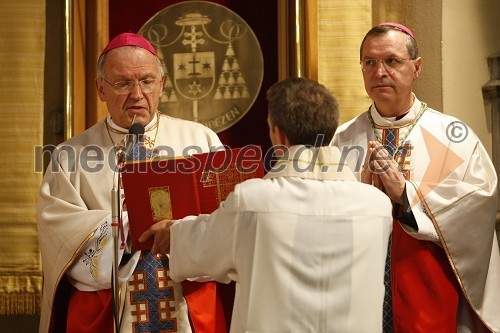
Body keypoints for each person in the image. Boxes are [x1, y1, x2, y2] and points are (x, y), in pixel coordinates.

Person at [140, 78, 393, 332]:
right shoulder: (377, 207)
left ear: (278, 134)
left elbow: (201, 244)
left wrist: (171, 232)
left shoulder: (254, 202)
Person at [37, 33, 224, 333]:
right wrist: (126, 228)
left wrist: (183, 233)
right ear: (100, 88)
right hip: (111, 312)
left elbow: (228, 219)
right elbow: (59, 231)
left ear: (161, 84)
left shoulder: (200, 141)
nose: (137, 93)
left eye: (147, 81)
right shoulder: (70, 156)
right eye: (123, 83)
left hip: (186, 303)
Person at [332, 22, 500, 332]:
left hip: (430, 299)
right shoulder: (341, 140)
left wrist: (408, 196)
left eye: (391, 61)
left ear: (417, 67)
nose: (379, 71)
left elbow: (480, 202)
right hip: (357, 298)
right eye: (369, 62)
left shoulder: (454, 136)